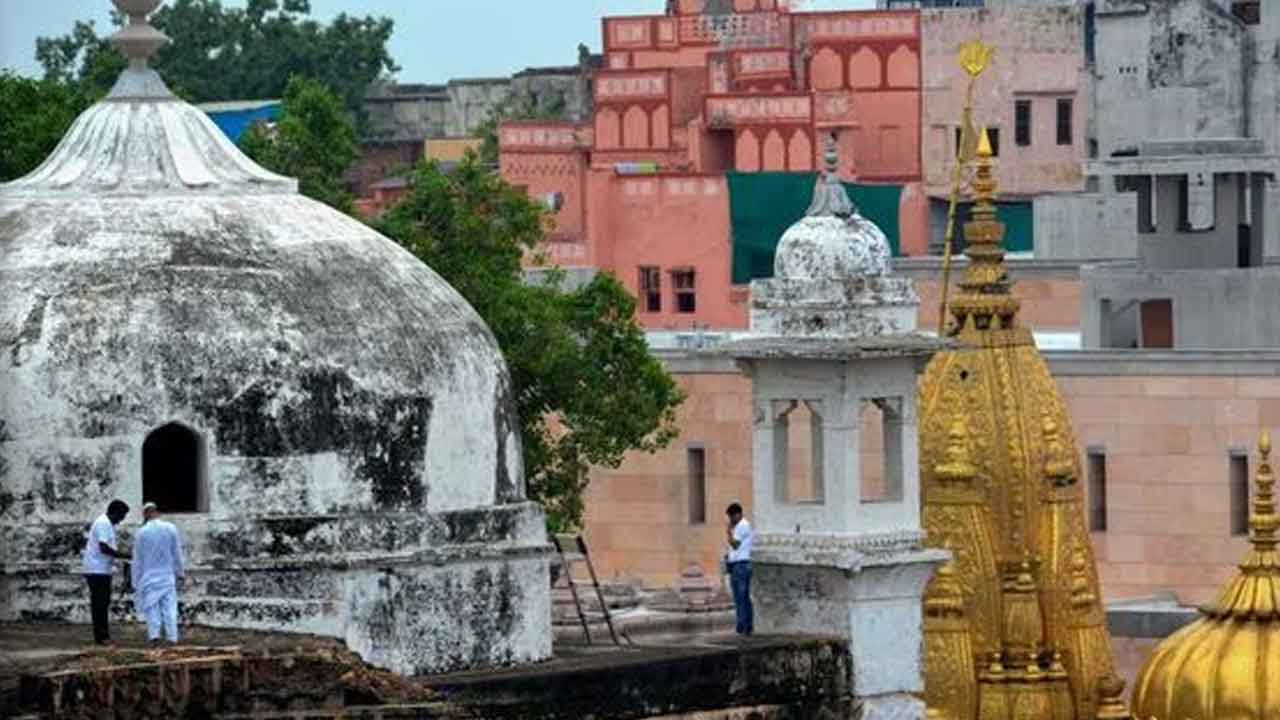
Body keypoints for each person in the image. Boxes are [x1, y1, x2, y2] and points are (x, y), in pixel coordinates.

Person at [131, 502, 186, 645]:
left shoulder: (141, 533)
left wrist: (135, 582)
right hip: (167, 575)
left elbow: (137, 560)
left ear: (145, 514)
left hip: (149, 577)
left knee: (152, 608)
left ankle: (154, 636)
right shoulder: (170, 528)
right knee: (169, 608)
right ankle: (172, 638)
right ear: (157, 512)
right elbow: (177, 553)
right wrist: (180, 572)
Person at [83, 499, 130, 645]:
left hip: (100, 569)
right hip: (97, 570)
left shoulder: (105, 523)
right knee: (100, 604)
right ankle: (102, 637)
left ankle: (102, 636)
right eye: (121, 516)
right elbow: (104, 547)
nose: (121, 521)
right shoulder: (104, 523)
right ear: (115, 513)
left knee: (101, 603)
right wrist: (124, 555)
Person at [725, 502, 753, 636]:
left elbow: (735, 545)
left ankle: (743, 627)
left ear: (737, 514)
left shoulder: (742, 525)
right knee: (741, 598)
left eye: (731, 517)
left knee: (741, 597)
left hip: (741, 566)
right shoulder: (740, 526)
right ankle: (745, 626)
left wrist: (729, 533)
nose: (730, 520)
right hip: (737, 565)